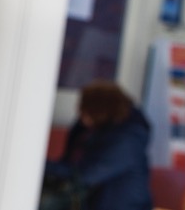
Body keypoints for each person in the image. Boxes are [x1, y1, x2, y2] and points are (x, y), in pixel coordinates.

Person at [42, 80, 153, 210]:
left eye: (86, 110)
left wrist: (39, 166)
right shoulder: (87, 129)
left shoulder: (127, 140)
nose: (80, 114)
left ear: (100, 111)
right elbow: (68, 162)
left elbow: (86, 175)